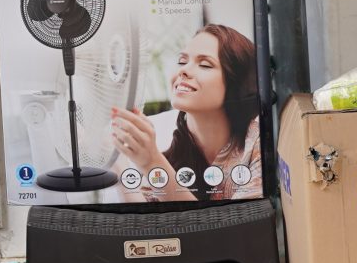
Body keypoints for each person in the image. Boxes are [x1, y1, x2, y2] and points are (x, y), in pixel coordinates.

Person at [109, 21, 263, 202]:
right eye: (182, 61)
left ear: (237, 84)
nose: (183, 70)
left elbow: (238, 220)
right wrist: (118, 161)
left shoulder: (258, 145)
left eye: (205, 64)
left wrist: (152, 162)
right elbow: (146, 218)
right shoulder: (157, 141)